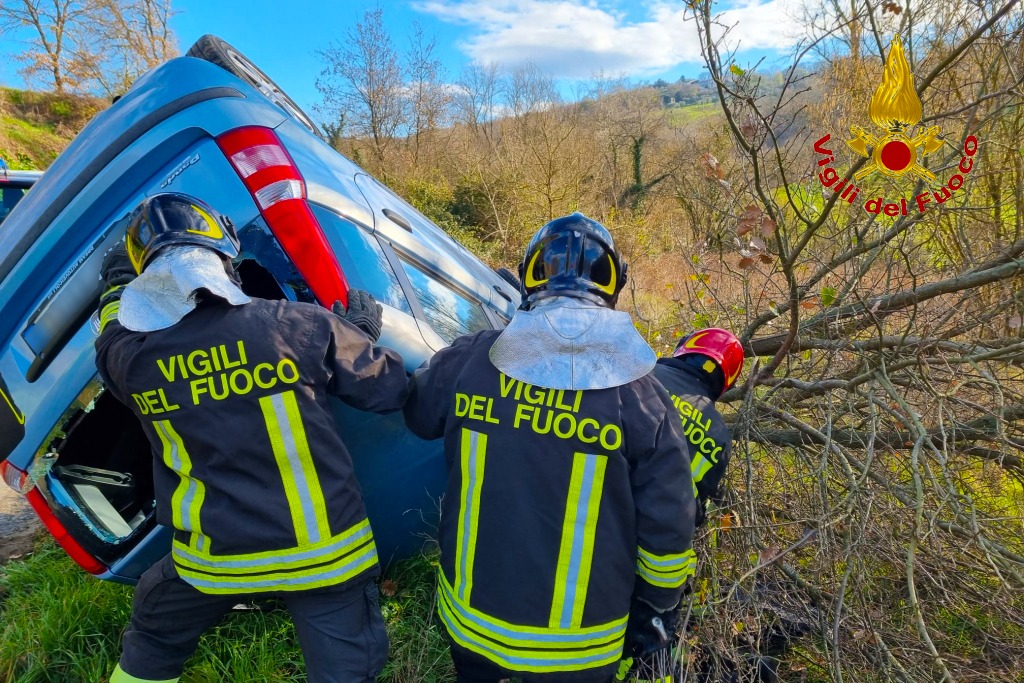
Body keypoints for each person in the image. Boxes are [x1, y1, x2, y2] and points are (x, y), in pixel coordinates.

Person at [95, 193, 408, 683]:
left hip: (212, 558)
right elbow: (387, 390)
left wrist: (116, 289)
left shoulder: (129, 359)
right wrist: (356, 332)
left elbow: (111, 329)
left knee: (154, 638)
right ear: (226, 257)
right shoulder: (297, 326)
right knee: (348, 669)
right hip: (321, 555)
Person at [403, 213, 697, 683]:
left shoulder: (473, 357)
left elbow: (418, 414)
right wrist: (657, 608)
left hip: (472, 623)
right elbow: (670, 522)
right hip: (577, 646)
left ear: (528, 277)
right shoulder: (641, 395)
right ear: (613, 285)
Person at [654, 328, 744, 530]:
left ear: (683, 349)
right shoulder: (720, 439)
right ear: (726, 383)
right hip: (654, 537)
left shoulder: (641, 374)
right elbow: (696, 512)